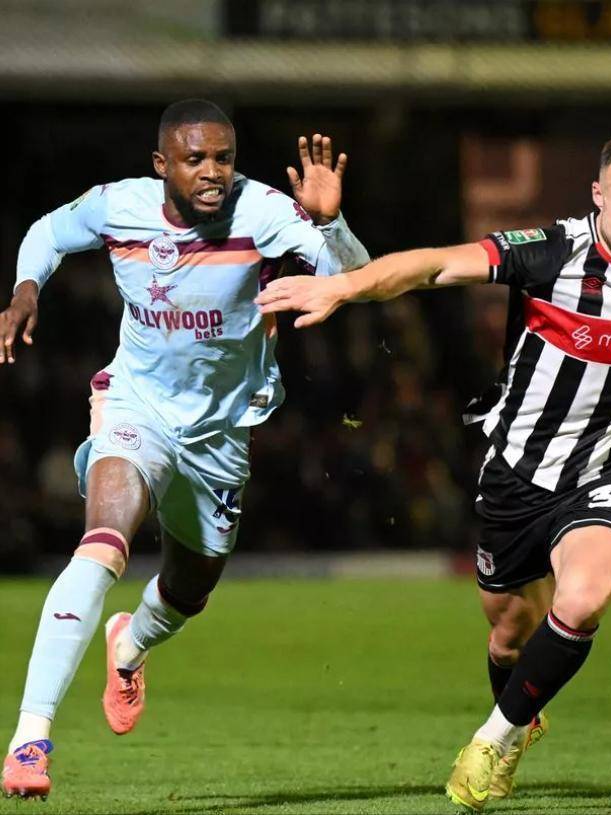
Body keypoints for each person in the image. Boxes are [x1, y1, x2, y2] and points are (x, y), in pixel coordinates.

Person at [255, 128, 611, 811]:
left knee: (582, 599)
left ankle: (492, 739)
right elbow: (435, 266)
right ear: (598, 196)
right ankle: (517, 715)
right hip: (517, 472)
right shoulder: (550, 253)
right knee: (509, 635)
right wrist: (346, 285)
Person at [0, 98, 369, 800]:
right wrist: (25, 290)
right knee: (102, 545)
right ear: (161, 164)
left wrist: (330, 223)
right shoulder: (119, 206)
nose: (212, 172)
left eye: (223, 157)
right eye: (195, 158)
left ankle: (129, 645)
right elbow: (47, 232)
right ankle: (29, 738)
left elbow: (357, 281)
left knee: (190, 587)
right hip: (135, 406)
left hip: (221, 432)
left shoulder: (264, 212)